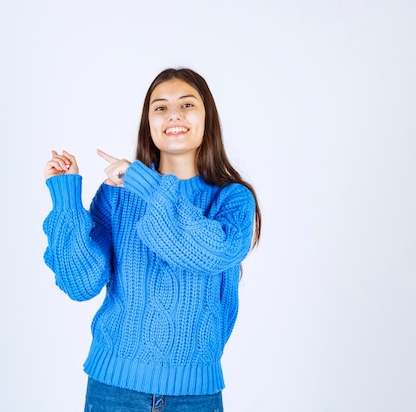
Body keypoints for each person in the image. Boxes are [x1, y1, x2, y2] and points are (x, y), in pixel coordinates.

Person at [42, 67, 261, 411]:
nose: (173, 114)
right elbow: (79, 283)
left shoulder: (232, 199)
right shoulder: (117, 194)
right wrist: (66, 197)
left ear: (208, 119)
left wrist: (144, 183)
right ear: (149, 124)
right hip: (114, 389)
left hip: (196, 396)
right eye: (160, 107)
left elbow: (211, 252)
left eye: (187, 105)